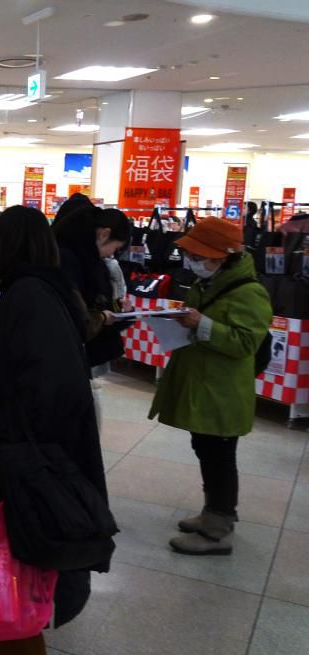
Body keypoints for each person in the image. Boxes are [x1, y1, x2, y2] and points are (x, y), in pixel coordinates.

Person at [0, 206, 108, 655]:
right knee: (7, 583)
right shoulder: (33, 293)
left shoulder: (29, 298)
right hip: (17, 464)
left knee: (17, 580)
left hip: (19, 474)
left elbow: (43, 401)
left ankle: (1, 638)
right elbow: (12, 383)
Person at [149, 218, 272, 556]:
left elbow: (245, 342)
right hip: (206, 384)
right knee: (206, 449)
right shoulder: (210, 284)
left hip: (223, 390)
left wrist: (202, 325)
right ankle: (213, 513)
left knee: (219, 456)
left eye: (198, 255)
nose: (192, 261)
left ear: (224, 256)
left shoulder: (250, 292)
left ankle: (217, 530)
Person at [53, 205, 132, 374]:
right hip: (73, 356)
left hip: (84, 353)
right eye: (115, 248)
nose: (112, 254)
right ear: (104, 234)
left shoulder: (88, 260)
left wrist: (120, 312)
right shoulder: (73, 261)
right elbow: (76, 315)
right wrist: (103, 316)